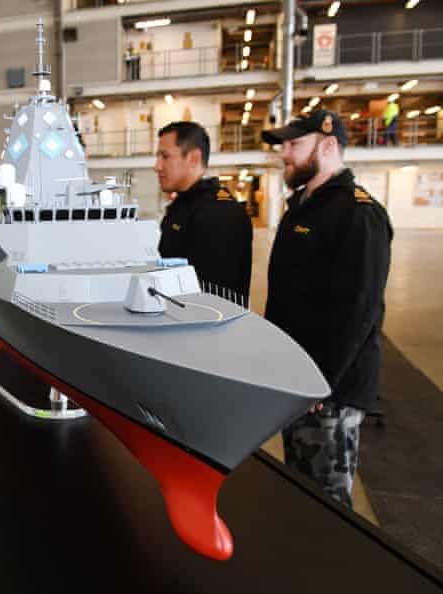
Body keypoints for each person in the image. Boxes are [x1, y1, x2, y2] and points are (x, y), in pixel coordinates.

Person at [262, 110, 393, 508]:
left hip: (329, 391)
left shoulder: (358, 213)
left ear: (329, 145)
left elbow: (358, 310)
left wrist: (322, 379)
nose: (285, 153)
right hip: (299, 381)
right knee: (302, 490)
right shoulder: (303, 207)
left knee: (330, 501)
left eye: (294, 144)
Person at [154, 121, 253, 300]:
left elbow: (215, 296)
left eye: (165, 156)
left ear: (193, 158)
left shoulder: (219, 213)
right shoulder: (184, 205)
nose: (157, 166)